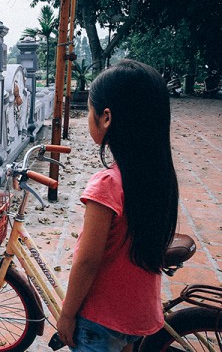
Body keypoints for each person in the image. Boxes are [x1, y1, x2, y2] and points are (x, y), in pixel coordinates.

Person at [56, 60, 179, 351]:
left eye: (89, 110)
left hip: (99, 320)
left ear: (106, 117)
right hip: (137, 315)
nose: (88, 117)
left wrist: (67, 314)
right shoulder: (159, 176)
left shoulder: (108, 184)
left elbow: (87, 262)